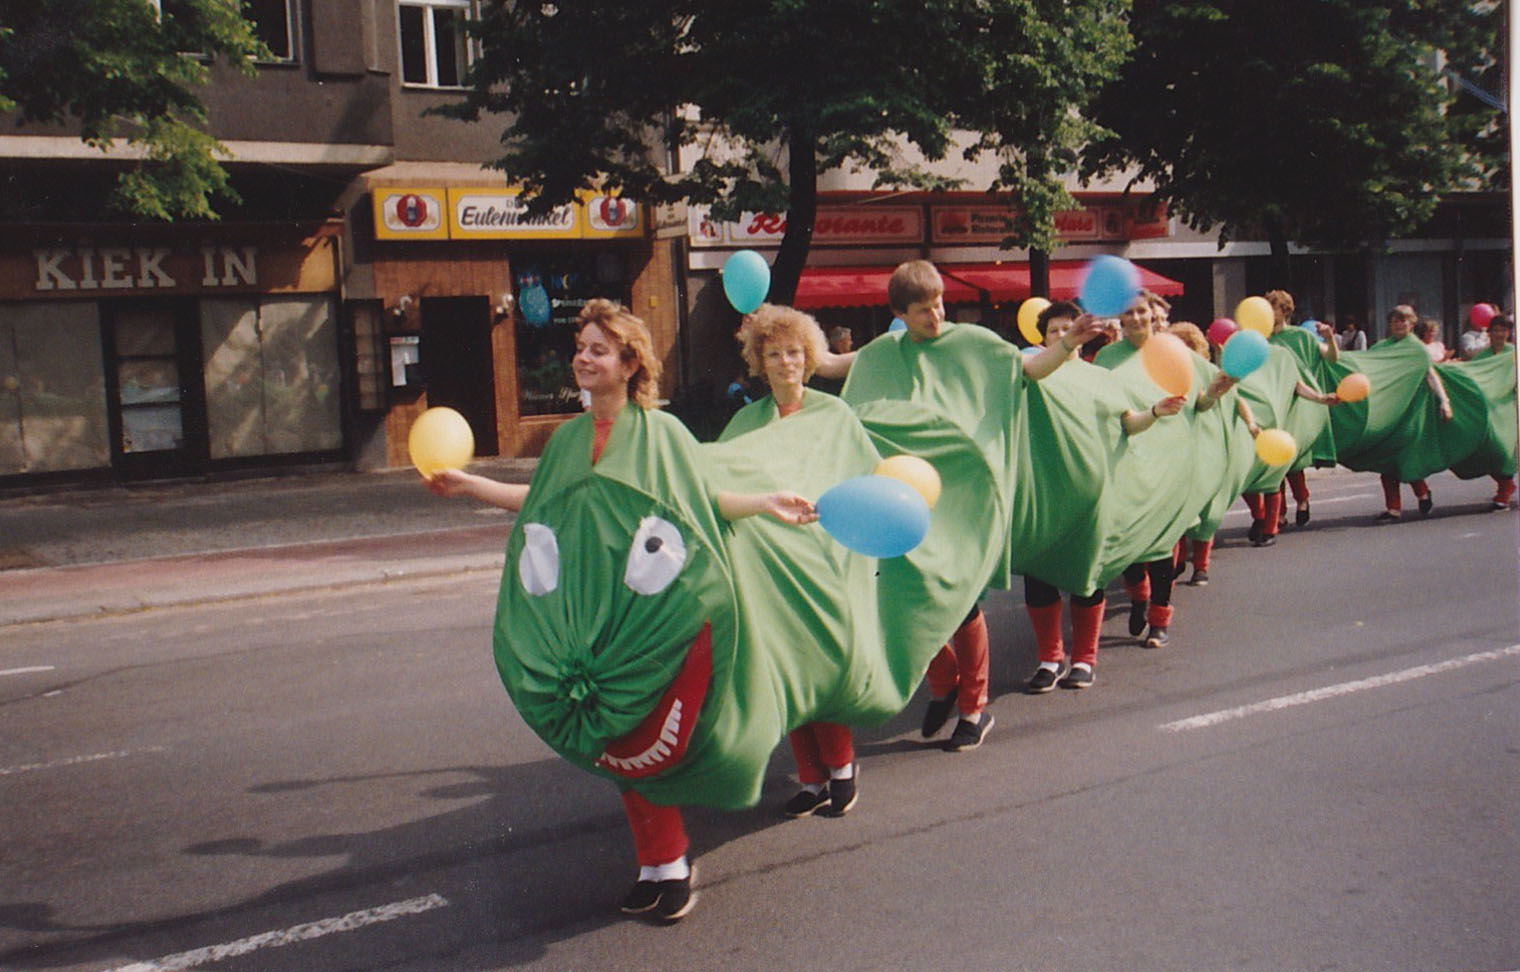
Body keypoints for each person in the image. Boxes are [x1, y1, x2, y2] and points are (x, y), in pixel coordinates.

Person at [426, 299, 817, 923]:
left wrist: (766, 502)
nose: (583, 358)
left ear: (630, 362)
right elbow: (540, 504)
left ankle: (672, 863)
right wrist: (469, 484)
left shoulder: (662, 433)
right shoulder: (569, 438)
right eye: (581, 347)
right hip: (596, 617)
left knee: (645, 731)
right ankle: (658, 864)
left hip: (652, 618)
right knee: (614, 739)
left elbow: (702, 501)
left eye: (597, 349)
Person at [843, 260, 1105, 750]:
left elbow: (1031, 369)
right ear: (900, 313)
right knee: (900, 596)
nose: (936, 315)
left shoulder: (976, 343)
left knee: (960, 602)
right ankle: (944, 682)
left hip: (964, 497)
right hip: (902, 496)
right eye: (922, 310)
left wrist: (1070, 343)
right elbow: (832, 367)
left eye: (939, 303)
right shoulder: (883, 353)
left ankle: (974, 709)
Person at [722, 304, 860, 818]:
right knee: (783, 671)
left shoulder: (834, 414)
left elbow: (858, 475)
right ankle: (809, 775)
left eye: (795, 353)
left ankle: (842, 766)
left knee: (821, 668)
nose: (785, 362)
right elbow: (724, 478)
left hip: (823, 556)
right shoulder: (744, 420)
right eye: (774, 353)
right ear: (760, 360)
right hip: (766, 561)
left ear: (810, 359)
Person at [1023, 301, 1185, 691]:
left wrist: (1156, 413)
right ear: (1042, 338)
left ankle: (1084, 659)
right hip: (1042, 494)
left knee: (1087, 576)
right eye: (1055, 331)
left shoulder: (1102, 379)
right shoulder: (1029, 374)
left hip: (1091, 496)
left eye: (1069, 328)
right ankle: (1050, 658)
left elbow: (1126, 424)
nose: (1064, 336)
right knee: (1038, 579)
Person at [1094, 293, 1236, 648]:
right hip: (1126, 459)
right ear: (1120, 319)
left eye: (1142, 311)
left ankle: (1160, 620)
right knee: (1128, 540)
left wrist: (1214, 393)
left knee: (1161, 544)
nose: (1138, 317)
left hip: (1170, 460)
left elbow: (1199, 403)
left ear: (1151, 315)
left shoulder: (1176, 351)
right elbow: (1097, 403)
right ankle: (1139, 598)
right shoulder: (1107, 357)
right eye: (1129, 312)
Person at [1373, 304, 1454, 522]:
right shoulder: (1381, 348)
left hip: (1410, 410)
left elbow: (1430, 375)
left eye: (1404, 320)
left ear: (1412, 324)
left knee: (1407, 456)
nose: (1400, 324)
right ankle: (1393, 508)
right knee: (1387, 460)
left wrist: (1444, 401)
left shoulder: (1417, 348)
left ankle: (1422, 492)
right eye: (1396, 320)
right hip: (1387, 410)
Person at [1470, 314, 1516, 510]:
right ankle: (1506, 485)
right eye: (1495, 330)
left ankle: (1504, 491)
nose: (1499, 334)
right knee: (1490, 448)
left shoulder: (1514, 353)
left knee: (1507, 450)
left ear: (1509, 333)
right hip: (1490, 409)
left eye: (1503, 330)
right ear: (1489, 333)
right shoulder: (1482, 357)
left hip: (1511, 407)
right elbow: (1472, 377)